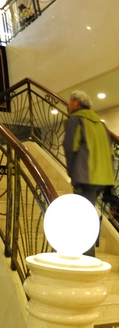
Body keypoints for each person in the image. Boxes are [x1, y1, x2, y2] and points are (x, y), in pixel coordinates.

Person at [63, 89, 115, 256]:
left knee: (82, 217)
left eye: (69, 101)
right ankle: (78, 250)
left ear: (76, 102)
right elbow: (110, 152)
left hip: (86, 177)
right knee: (85, 213)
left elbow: (70, 147)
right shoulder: (100, 124)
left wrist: (72, 173)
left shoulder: (75, 120)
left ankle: (87, 255)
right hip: (103, 178)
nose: (68, 105)